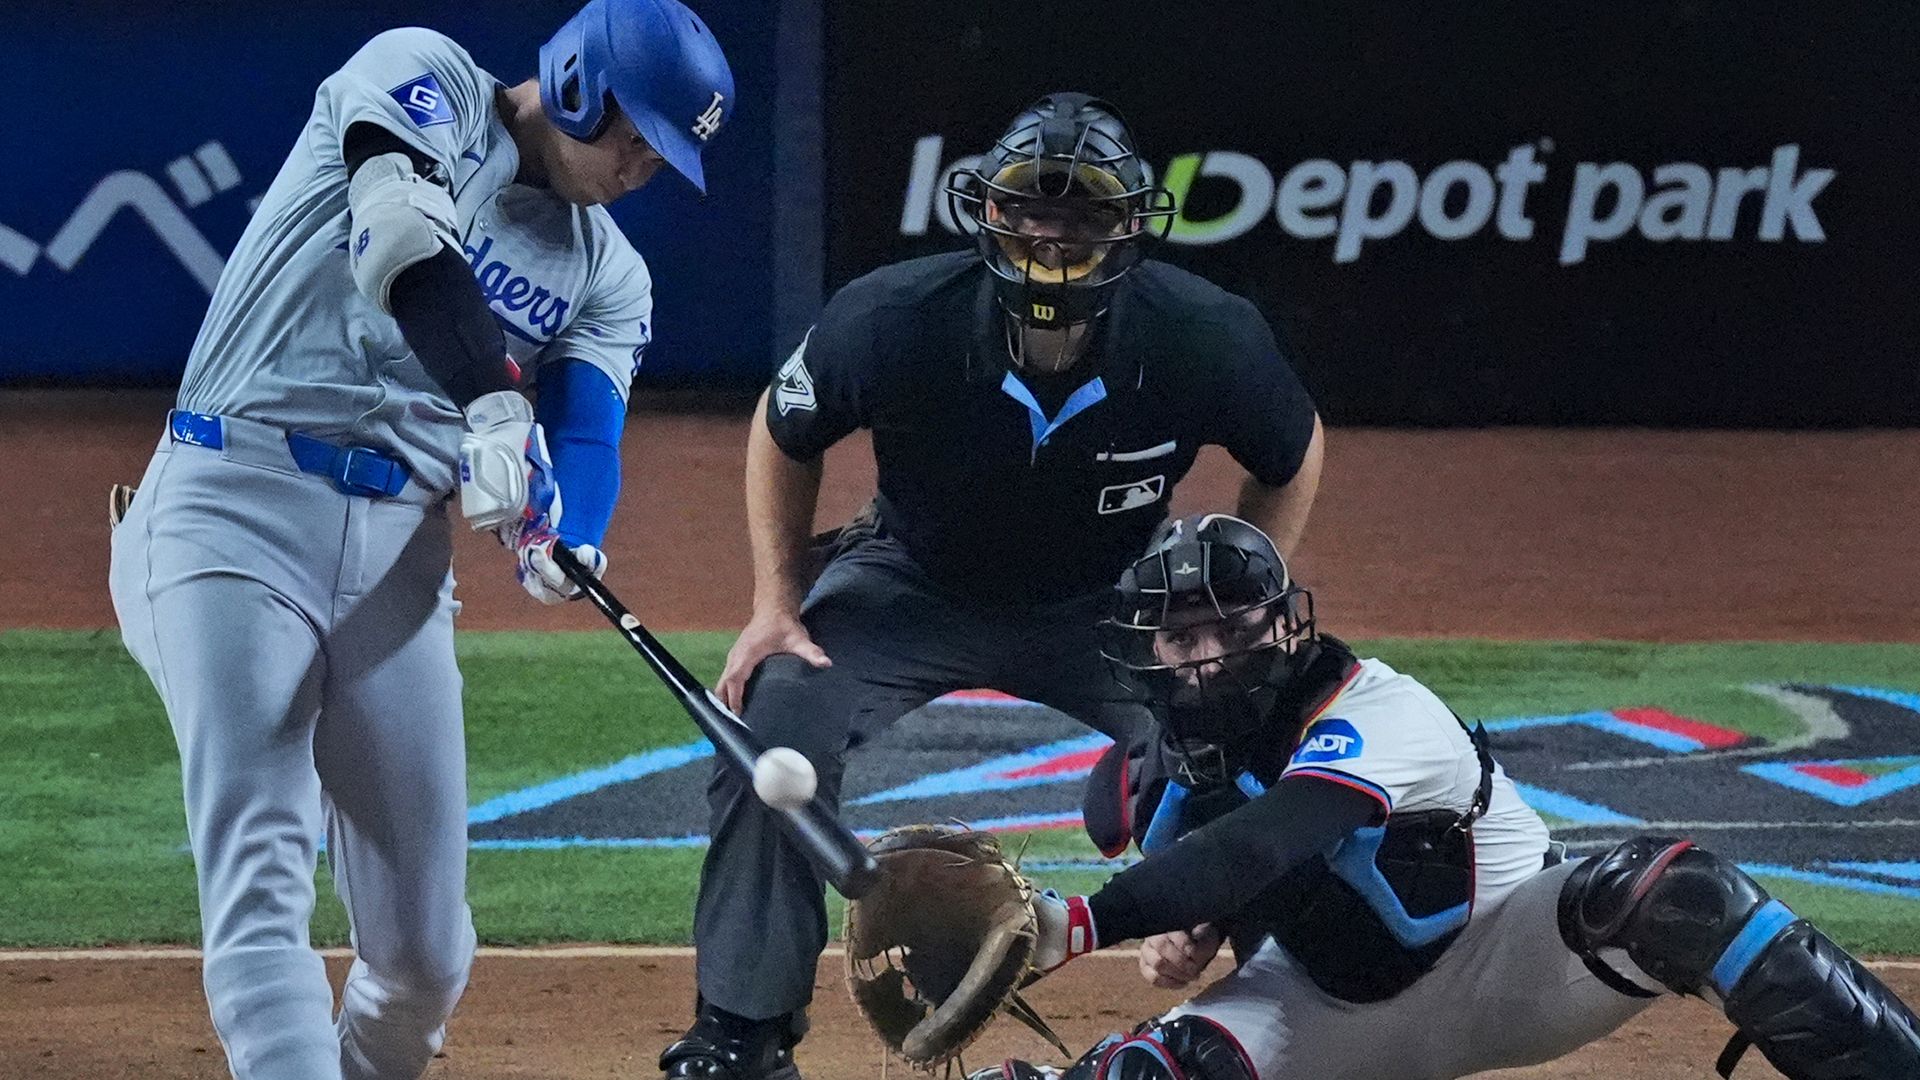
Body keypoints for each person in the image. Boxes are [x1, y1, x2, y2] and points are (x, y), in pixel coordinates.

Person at [105, 3, 733, 1078]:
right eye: (635, 137)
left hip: (398, 554)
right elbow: (400, 236)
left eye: (663, 157)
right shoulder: (425, 78)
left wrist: (564, 535)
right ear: (578, 81)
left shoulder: (607, 271)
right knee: (261, 870)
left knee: (426, 955)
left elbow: (586, 426)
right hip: (231, 500)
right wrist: (493, 407)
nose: (641, 168)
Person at [661, 93, 1326, 1078]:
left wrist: (1238, 607)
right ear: (986, 214)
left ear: (1129, 223)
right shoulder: (892, 317)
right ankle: (741, 1034)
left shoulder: (1202, 334)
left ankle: (1296, 1020)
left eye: (1083, 212)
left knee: (1254, 724)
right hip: (910, 581)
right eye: (1029, 209)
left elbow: (1295, 450)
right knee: (777, 710)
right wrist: (775, 604)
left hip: (1111, 602)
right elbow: (781, 426)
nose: (1052, 236)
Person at [974, 513, 1920, 1080]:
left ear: (1282, 626)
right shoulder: (1163, 777)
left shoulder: (1379, 709)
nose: (1204, 655)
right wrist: (1195, 931)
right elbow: (1224, 882)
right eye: (1180, 640)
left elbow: (1274, 839)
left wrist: (1086, 924)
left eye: (1227, 626)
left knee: (1677, 894)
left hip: (1508, 966)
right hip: (1321, 1012)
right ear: (1151, 654)